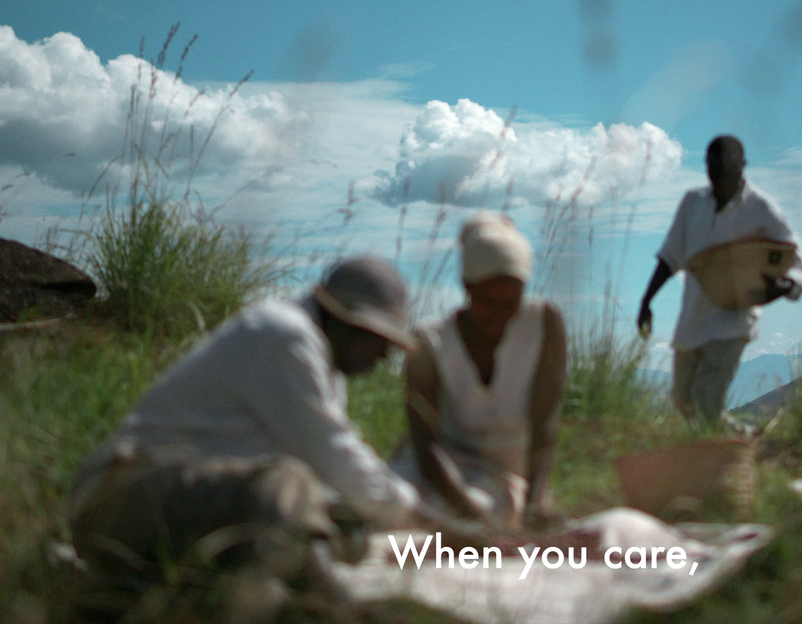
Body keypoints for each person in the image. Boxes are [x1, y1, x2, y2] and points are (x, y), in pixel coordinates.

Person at [66, 256, 425, 585]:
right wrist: (419, 514)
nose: (384, 354)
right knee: (288, 486)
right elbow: (332, 454)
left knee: (326, 513)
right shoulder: (284, 336)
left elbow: (337, 475)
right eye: (375, 338)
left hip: (170, 498)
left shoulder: (323, 363)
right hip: (119, 497)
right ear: (340, 319)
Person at [394, 213, 568, 530]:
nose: (499, 315)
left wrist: (533, 503)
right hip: (440, 466)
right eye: (488, 301)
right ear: (466, 287)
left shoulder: (544, 324)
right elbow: (426, 444)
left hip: (502, 473)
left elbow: (544, 422)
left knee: (485, 506)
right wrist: (463, 509)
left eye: (510, 302)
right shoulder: (429, 342)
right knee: (393, 500)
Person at [636, 135, 802, 424]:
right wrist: (646, 300)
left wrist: (786, 285)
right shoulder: (693, 203)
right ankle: (742, 439)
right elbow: (669, 256)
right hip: (693, 318)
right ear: (706, 168)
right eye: (713, 171)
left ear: (742, 167)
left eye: (726, 171)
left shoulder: (761, 208)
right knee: (683, 401)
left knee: (705, 405)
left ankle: (712, 466)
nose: (719, 179)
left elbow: (792, 253)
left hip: (733, 320)